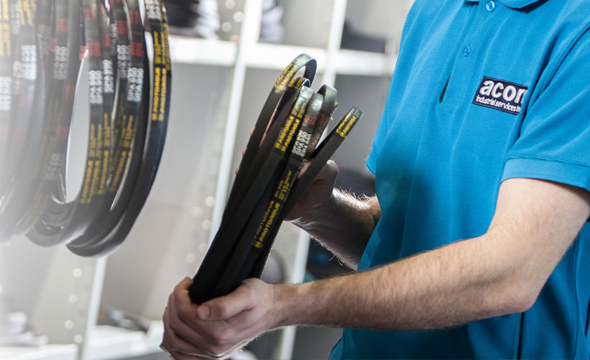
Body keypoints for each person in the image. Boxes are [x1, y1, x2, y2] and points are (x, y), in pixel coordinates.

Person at [161, 0, 590, 358]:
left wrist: (282, 306)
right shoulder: (434, 12)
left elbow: (510, 275)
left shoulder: (579, 32)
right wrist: (320, 209)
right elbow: (399, 244)